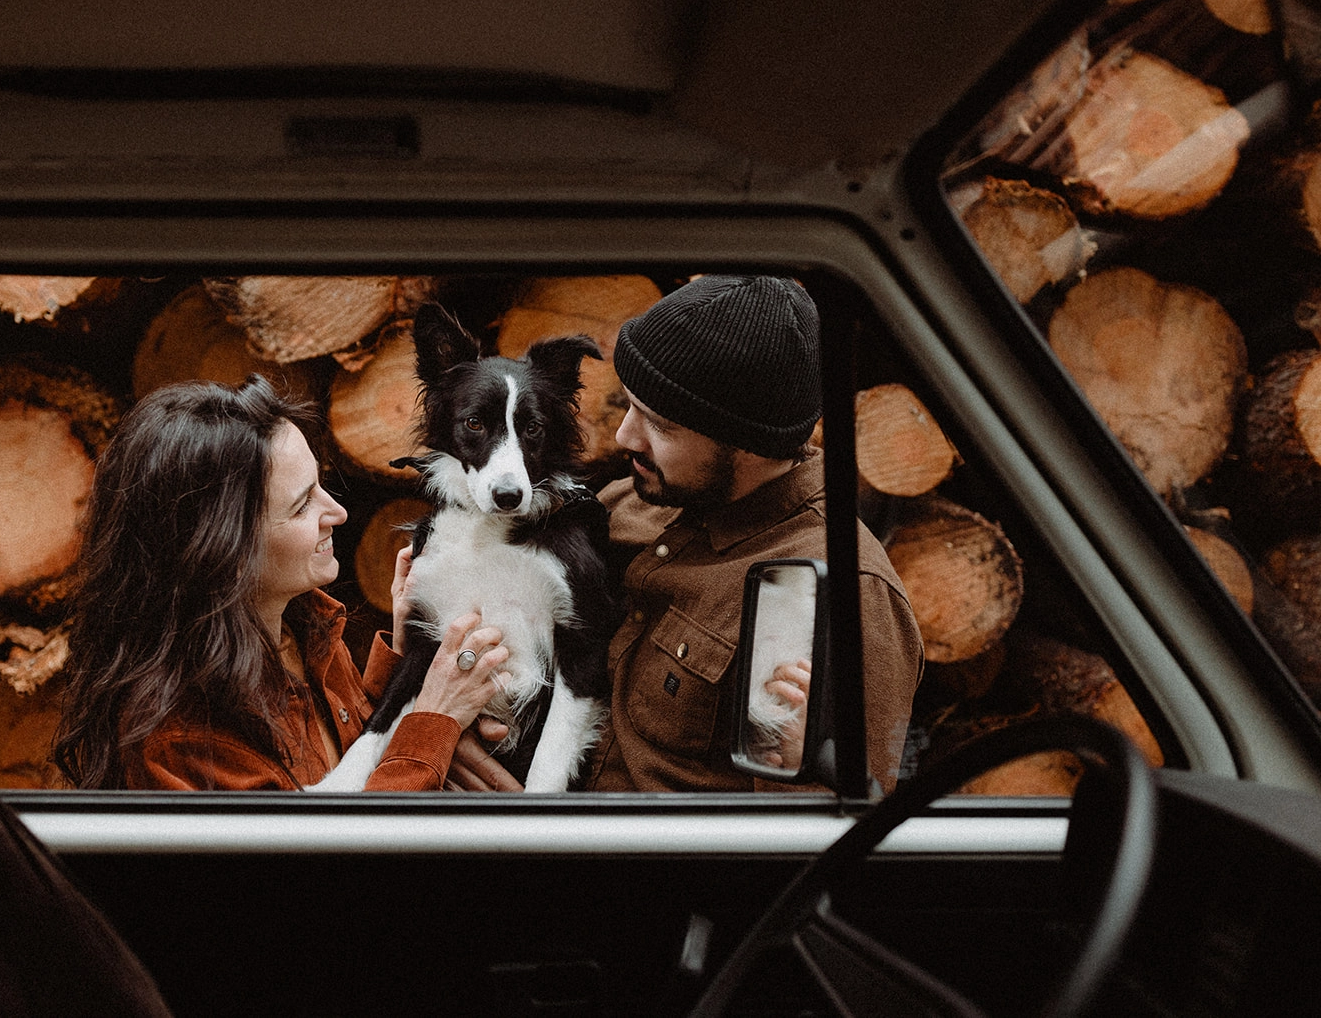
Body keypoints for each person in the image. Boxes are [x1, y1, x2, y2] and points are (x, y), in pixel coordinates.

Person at [52, 375, 513, 792]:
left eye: (320, 485)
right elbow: (315, 870)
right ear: (222, 550)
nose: (337, 513)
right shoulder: (181, 738)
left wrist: (410, 651)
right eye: (300, 506)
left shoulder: (305, 629)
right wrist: (433, 720)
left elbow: (348, 771)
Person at [580, 274, 925, 793]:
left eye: (661, 424)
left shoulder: (847, 595)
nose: (624, 435)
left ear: (750, 445)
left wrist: (805, 772)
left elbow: (842, 842)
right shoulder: (630, 503)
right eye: (629, 406)